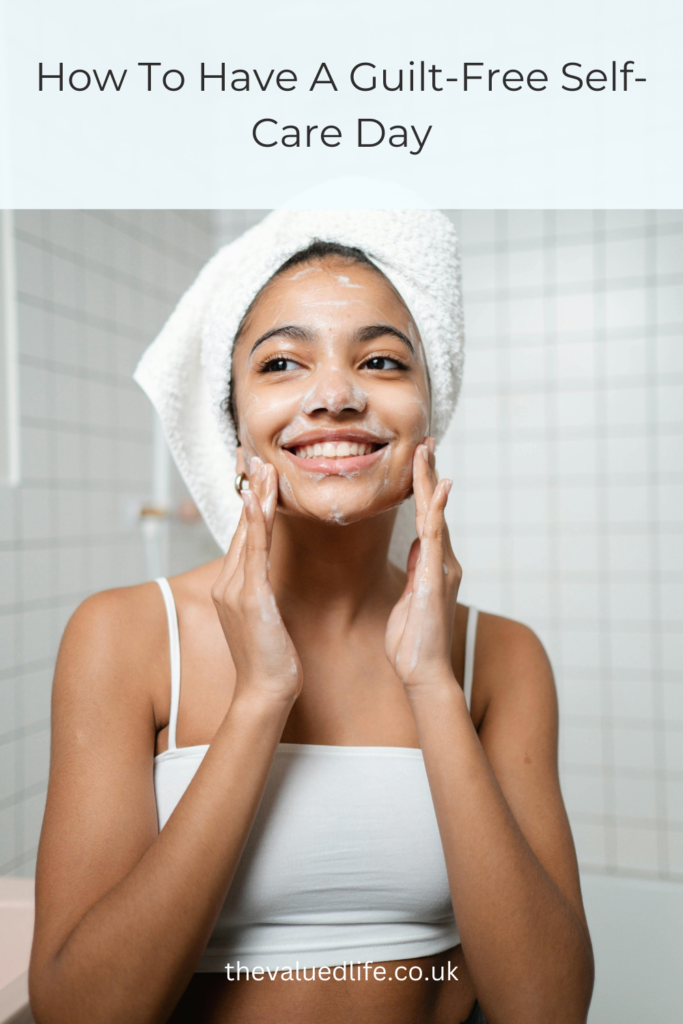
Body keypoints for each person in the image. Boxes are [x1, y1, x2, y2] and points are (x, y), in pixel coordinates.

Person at [29, 211, 594, 1024]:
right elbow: (81, 1012)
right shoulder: (126, 637)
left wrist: (431, 682)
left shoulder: (498, 658)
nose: (335, 395)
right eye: (284, 362)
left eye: (380, 360)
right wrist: (261, 697)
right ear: (234, 426)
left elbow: (547, 1011)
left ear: (426, 418)